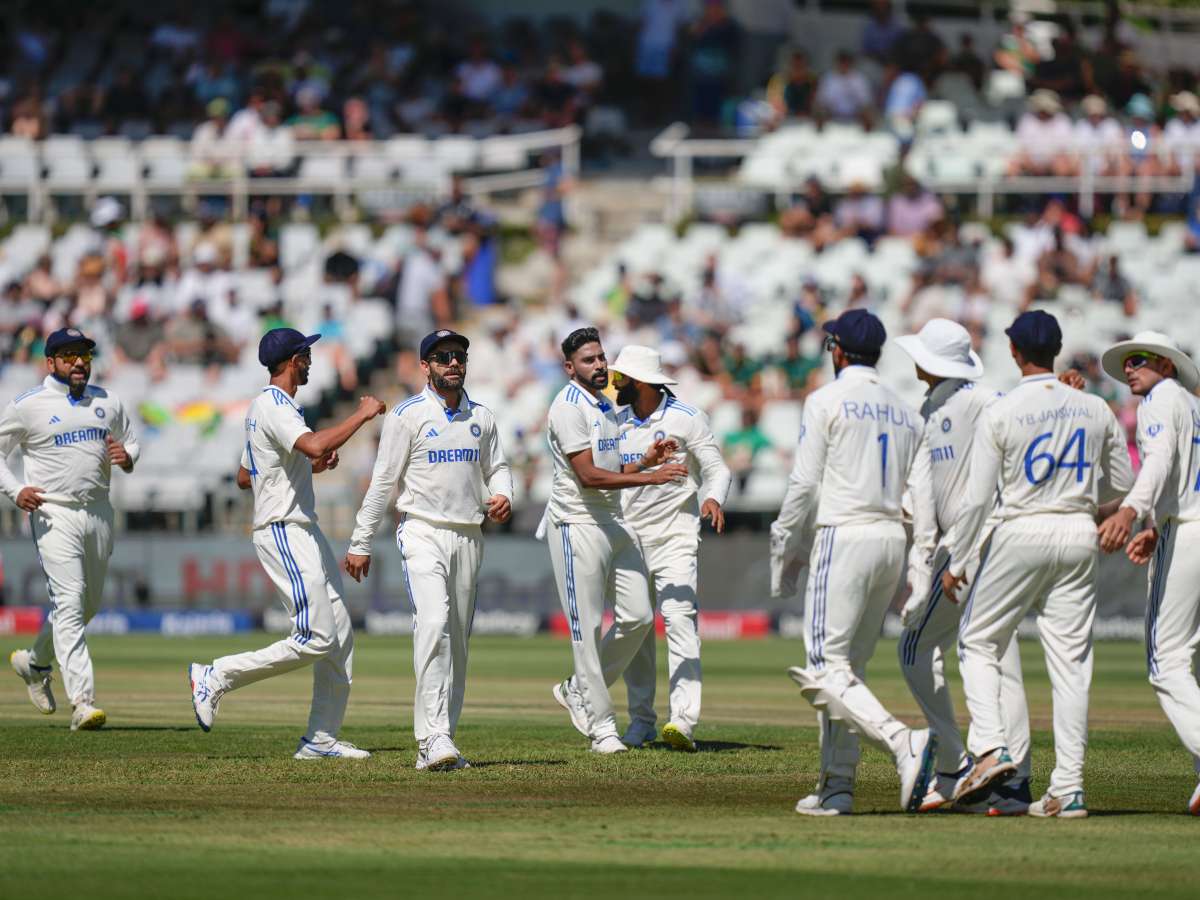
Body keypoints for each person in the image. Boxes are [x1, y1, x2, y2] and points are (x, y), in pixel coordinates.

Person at [943, 311, 1134, 818]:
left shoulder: (1003, 412)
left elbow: (978, 498)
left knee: (977, 640)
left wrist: (958, 559)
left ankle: (991, 748)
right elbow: (1120, 482)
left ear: (1013, 351)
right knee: (1071, 666)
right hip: (1077, 531)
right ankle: (1067, 788)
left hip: (1021, 529)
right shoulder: (1094, 407)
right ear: (1057, 350)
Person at [187, 328, 386, 758]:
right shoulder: (274, 405)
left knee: (340, 636)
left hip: (300, 528)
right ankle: (216, 676)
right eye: (306, 355)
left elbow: (247, 476)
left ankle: (320, 739)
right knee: (316, 636)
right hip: (283, 528)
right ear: (294, 361)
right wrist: (363, 415)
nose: (311, 361)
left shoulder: (273, 409)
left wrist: (306, 468)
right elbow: (312, 443)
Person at [769, 309, 936, 815]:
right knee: (849, 668)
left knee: (823, 667)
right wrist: (919, 564)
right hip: (891, 537)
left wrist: (785, 546)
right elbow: (921, 494)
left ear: (837, 351)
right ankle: (837, 785)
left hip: (845, 534)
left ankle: (902, 741)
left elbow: (803, 484)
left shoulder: (826, 400)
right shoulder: (907, 409)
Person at [345, 330, 513, 771]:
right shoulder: (407, 415)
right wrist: (361, 541)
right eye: (442, 358)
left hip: (469, 534)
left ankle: (442, 741)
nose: (453, 364)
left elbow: (498, 467)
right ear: (425, 366)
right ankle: (431, 738)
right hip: (421, 529)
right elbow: (383, 481)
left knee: (456, 640)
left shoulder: (483, 417)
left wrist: (504, 495)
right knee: (433, 623)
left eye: (458, 356)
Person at [893, 319, 1033, 814]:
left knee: (914, 644)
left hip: (974, 546)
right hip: (985, 545)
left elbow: (949, 501)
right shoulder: (934, 407)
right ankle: (1013, 784)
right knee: (1000, 656)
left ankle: (955, 763)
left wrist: (941, 558)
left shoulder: (981, 400)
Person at [544, 327, 689, 754]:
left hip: (612, 520)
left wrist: (645, 460)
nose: (600, 365)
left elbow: (610, 467)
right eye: (588, 360)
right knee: (586, 630)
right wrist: (650, 476)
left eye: (601, 357)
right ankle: (602, 727)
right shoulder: (567, 407)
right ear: (570, 368)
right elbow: (588, 477)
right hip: (577, 523)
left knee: (639, 617)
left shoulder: (606, 405)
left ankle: (577, 690)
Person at [4, 328, 139, 731]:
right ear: (50, 363)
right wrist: (14, 490)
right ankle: (82, 702)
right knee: (69, 603)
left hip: (98, 511)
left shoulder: (107, 401)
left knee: (86, 606)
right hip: (52, 511)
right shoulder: (29, 405)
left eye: (84, 354)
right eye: (68, 355)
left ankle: (34, 663)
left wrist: (127, 457)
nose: (79, 362)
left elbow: (131, 442)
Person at [1095, 333, 1200, 816]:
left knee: (1166, 661)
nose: (1129, 369)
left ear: (1165, 363)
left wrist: (1132, 512)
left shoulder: (1161, 400)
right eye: (1126, 363)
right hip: (1188, 524)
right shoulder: (1193, 405)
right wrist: (1157, 527)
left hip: (1190, 532)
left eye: (1138, 361)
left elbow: (1157, 463)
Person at [610, 345, 731, 752]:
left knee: (680, 621)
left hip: (675, 534)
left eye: (620, 378)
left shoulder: (687, 417)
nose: (614, 384)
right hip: (627, 537)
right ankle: (641, 721)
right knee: (637, 627)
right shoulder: (614, 420)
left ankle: (682, 720)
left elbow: (717, 469)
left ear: (640, 382)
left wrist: (713, 498)